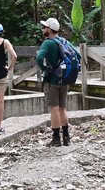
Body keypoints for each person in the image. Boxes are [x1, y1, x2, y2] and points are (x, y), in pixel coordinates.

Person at [36, 17, 80, 147]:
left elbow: (39, 58)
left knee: (54, 107)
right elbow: (78, 56)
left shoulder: (48, 43)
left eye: (45, 27)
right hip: (65, 80)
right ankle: (66, 137)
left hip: (53, 80)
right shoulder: (64, 41)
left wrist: (44, 68)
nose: (43, 29)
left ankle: (56, 138)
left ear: (49, 29)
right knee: (62, 107)